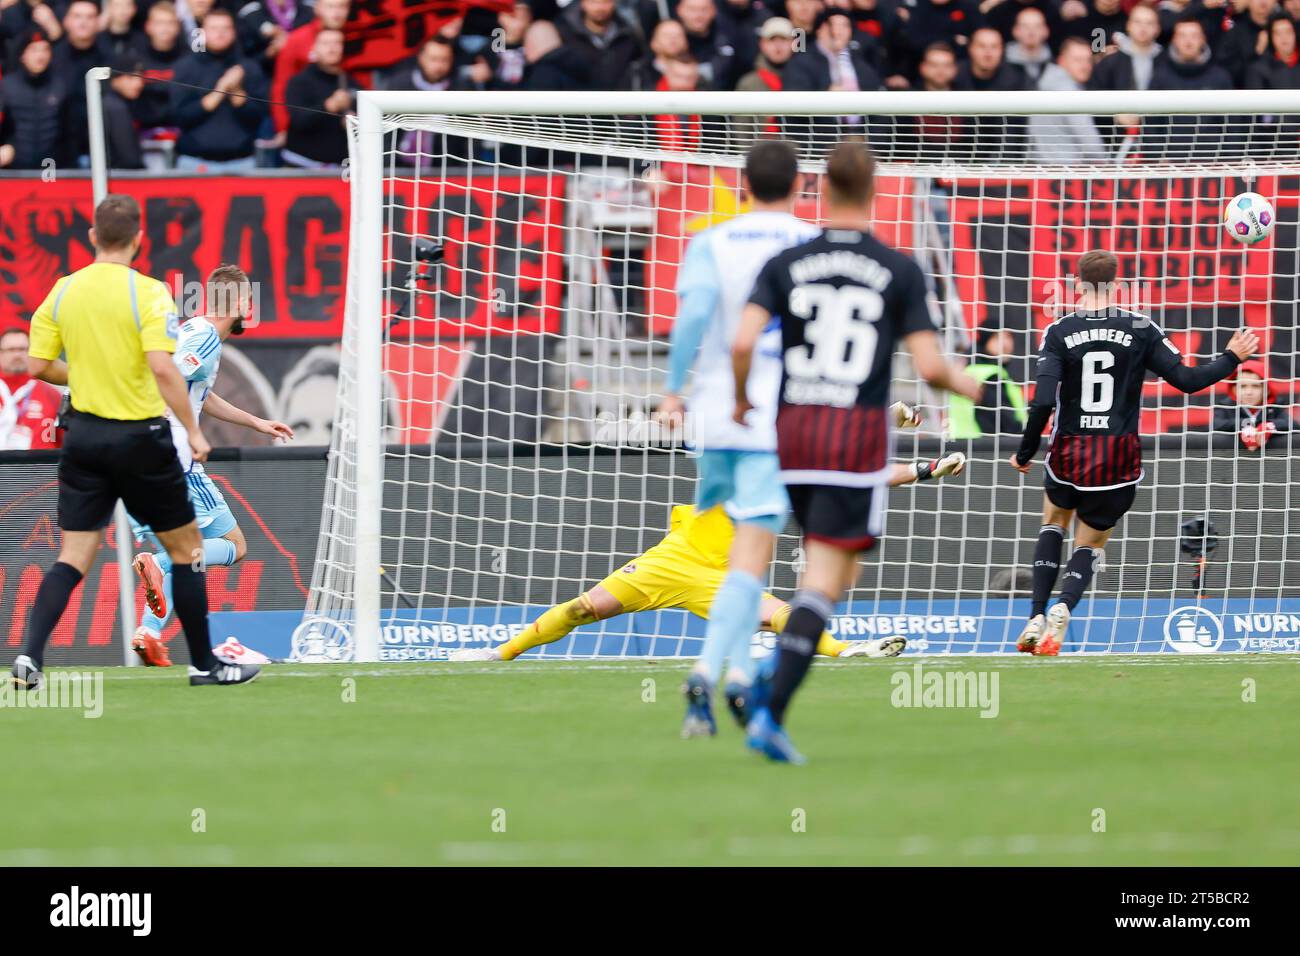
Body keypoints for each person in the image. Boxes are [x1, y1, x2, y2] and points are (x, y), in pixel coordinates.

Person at [733, 141, 982, 762]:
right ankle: (769, 708)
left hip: (792, 436)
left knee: (807, 566)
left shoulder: (788, 260)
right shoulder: (898, 268)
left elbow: (742, 342)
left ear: (820, 189)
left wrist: (740, 400)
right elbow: (930, 366)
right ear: (873, 192)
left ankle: (760, 678)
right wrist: (981, 385)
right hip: (853, 440)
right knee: (828, 581)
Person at [10, 195, 261, 690]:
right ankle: (205, 667)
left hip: (82, 437)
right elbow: (164, 368)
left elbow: (38, 366)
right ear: (139, 239)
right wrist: (191, 430)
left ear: (91, 237)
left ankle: (29, 661)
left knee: (72, 557)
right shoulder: (148, 293)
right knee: (188, 550)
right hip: (141, 439)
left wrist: (85, 373)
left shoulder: (63, 291)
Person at [1009, 249, 1258, 657]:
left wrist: (1025, 451)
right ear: (1119, 285)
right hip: (1118, 457)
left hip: (1069, 451)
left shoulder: (1059, 330)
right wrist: (1232, 357)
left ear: (1077, 285)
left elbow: (1041, 403)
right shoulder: (1141, 327)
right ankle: (1063, 607)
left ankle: (1036, 613)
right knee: (1090, 545)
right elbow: (1188, 381)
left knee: (1053, 523)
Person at [446, 472, 965, 667]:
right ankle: (501, 652)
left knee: (777, 612)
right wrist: (890, 414)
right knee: (587, 606)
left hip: (717, 577)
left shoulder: (788, 485)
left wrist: (921, 470)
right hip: (668, 561)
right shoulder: (747, 460)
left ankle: (848, 651)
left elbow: (856, 471)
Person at [129, 265, 294, 667]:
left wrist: (254, 421)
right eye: (249, 301)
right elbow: (166, 376)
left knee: (193, 552)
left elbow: (198, 391)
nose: (250, 309)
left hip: (145, 458)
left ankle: (148, 633)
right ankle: (161, 565)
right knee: (234, 547)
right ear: (237, 303)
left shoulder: (193, 331)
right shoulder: (204, 337)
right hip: (176, 461)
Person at [171, 7, 269, 171]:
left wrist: (237, 90)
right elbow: (180, 117)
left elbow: (258, 117)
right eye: (214, 29)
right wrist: (220, 90)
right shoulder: (186, 67)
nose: (220, 33)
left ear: (234, 32)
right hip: (194, 162)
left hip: (242, 162)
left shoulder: (249, 67)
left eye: (225, 28)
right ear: (202, 32)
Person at [283, 27, 356, 168]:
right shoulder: (299, 82)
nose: (332, 48)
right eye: (326, 43)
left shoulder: (351, 82)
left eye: (337, 43)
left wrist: (355, 121)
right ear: (314, 48)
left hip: (339, 168)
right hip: (301, 165)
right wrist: (328, 106)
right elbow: (298, 121)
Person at [1028, 35, 1107, 164]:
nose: (1085, 66)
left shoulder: (1046, 83)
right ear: (1061, 61)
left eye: (1088, 60)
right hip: (1066, 172)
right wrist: (1107, 165)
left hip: (1043, 168)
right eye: (1077, 60)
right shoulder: (1069, 91)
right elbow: (1089, 141)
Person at [948, 325, 1028, 437]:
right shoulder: (991, 375)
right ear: (986, 341)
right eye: (997, 337)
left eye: (1009, 337)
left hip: (963, 445)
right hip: (984, 450)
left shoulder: (970, 370)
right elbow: (1005, 425)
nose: (1005, 344)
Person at [0, 327, 63, 451]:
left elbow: (65, 441)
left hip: (39, 467)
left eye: (23, 349)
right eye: (11, 350)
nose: (17, 355)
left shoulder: (52, 394)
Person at [1213, 359, 1292, 448]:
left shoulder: (1275, 405)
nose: (1249, 392)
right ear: (1234, 389)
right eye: (1243, 386)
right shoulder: (1226, 405)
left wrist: (1267, 427)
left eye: (1255, 386)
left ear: (1267, 389)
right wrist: (1246, 425)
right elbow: (1216, 424)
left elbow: (1292, 424)